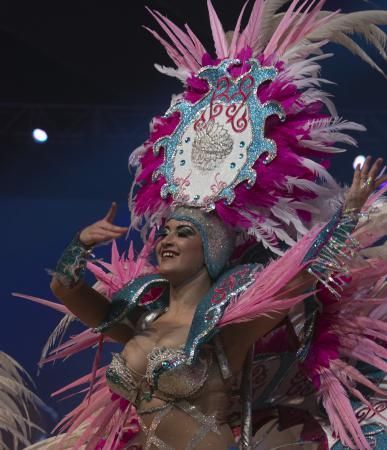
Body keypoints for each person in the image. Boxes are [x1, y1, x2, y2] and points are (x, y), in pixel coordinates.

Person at [19, 1, 387, 449]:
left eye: (184, 233)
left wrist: (346, 219)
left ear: (210, 250)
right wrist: (79, 245)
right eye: (167, 231)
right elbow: (64, 288)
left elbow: (299, 280)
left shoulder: (225, 330)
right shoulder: (138, 319)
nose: (167, 240)